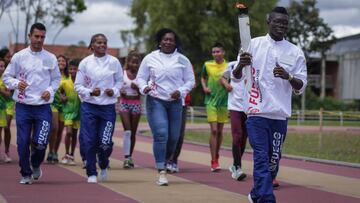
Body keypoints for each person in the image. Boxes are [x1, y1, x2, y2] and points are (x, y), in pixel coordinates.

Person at [232, 7, 307, 203]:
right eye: (277, 21)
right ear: (269, 21)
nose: (281, 25)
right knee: (261, 158)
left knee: (273, 162)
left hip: (280, 115)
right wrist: (240, 64)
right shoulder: (252, 44)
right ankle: (266, 199)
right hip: (256, 111)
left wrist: (289, 76)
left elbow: (301, 85)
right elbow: (237, 77)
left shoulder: (295, 51)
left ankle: (256, 194)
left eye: (285, 23)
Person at [3, 22, 61, 184]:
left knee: (41, 142)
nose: (39, 40)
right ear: (29, 36)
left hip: (43, 107)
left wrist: (49, 90)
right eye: (36, 36)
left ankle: (35, 163)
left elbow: (56, 79)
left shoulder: (50, 58)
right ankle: (25, 174)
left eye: (42, 37)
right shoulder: (19, 57)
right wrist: (16, 84)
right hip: (23, 106)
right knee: (22, 142)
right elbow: (7, 78)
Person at [136, 28, 195, 186]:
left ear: (175, 42)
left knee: (174, 138)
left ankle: (167, 159)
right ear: (160, 41)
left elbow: (190, 81)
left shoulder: (182, 60)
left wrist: (181, 91)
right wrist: (144, 88)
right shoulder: (150, 58)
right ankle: (161, 170)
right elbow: (140, 78)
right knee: (161, 134)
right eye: (165, 39)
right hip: (156, 100)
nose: (168, 42)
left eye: (171, 40)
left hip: (175, 102)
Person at [74, 33, 123, 183]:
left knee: (105, 142)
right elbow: (78, 85)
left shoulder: (114, 62)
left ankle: (103, 163)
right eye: (99, 43)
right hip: (89, 107)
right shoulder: (85, 63)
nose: (102, 45)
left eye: (105, 43)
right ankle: (91, 173)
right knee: (89, 141)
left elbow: (119, 82)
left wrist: (113, 91)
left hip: (107, 108)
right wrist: (90, 92)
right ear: (92, 46)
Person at [200, 42, 228, 172]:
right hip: (210, 101)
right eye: (214, 52)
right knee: (214, 131)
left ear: (223, 53)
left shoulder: (228, 66)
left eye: (218, 51)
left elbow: (233, 79)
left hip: (224, 102)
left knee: (221, 131)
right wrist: (205, 87)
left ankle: (217, 155)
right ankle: (213, 161)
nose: (216, 54)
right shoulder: (207, 64)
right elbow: (202, 77)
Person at [220, 59, 247, 181]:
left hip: (249, 106)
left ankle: (235, 164)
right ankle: (237, 167)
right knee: (237, 135)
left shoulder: (255, 65)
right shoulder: (232, 65)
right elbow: (223, 78)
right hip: (235, 105)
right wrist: (226, 85)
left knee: (244, 137)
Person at [116, 50, 142, 169]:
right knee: (127, 131)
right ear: (128, 62)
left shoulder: (141, 75)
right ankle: (126, 158)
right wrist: (120, 92)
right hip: (124, 103)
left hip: (136, 103)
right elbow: (116, 86)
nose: (134, 65)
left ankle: (130, 156)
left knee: (133, 132)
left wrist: (137, 88)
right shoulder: (122, 73)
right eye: (132, 62)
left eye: (137, 63)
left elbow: (144, 91)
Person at [59, 58, 81, 165]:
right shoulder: (64, 82)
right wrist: (62, 97)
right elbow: (57, 91)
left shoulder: (81, 83)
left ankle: (72, 155)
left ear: (78, 70)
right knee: (68, 132)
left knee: (75, 134)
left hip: (78, 111)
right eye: (71, 69)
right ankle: (66, 154)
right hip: (68, 111)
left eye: (75, 69)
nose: (72, 71)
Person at [46, 55, 67, 164]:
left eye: (63, 60)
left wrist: (65, 96)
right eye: (59, 60)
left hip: (64, 106)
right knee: (54, 127)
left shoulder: (68, 77)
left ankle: (54, 152)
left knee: (59, 131)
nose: (61, 62)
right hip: (53, 104)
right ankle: (50, 150)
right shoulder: (51, 75)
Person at [165, 92, 191, 173]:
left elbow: (191, 83)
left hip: (182, 104)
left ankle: (173, 160)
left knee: (179, 134)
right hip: (167, 102)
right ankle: (167, 159)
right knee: (167, 132)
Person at [0, 48, 14, 163]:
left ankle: (7, 151)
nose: (10, 59)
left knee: (7, 127)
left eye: (11, 57)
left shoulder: (11, 71)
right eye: (8, 57)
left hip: (8, 103)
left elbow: (9, 93)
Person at [0, 58, 10, 162]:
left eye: (2, 66)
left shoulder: (6, 80)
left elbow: (8, 95)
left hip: (2, 109)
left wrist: (1, 90)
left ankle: (5, 152)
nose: (0, 68)